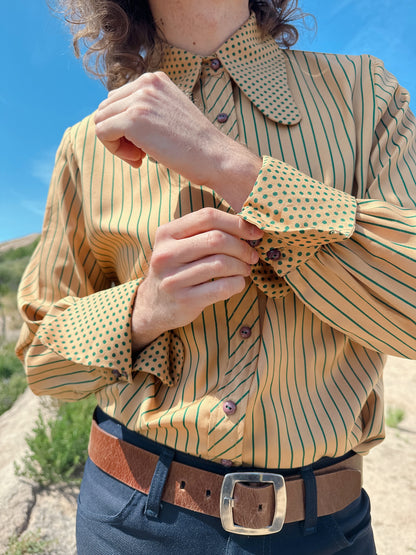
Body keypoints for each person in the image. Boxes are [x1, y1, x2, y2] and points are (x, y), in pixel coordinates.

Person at [16, 0, 416, 553]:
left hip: (327, 527)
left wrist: (231, 168)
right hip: (129, 521)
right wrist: (139, 312)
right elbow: (42, 363)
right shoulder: (87, 146)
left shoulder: (366, 96)